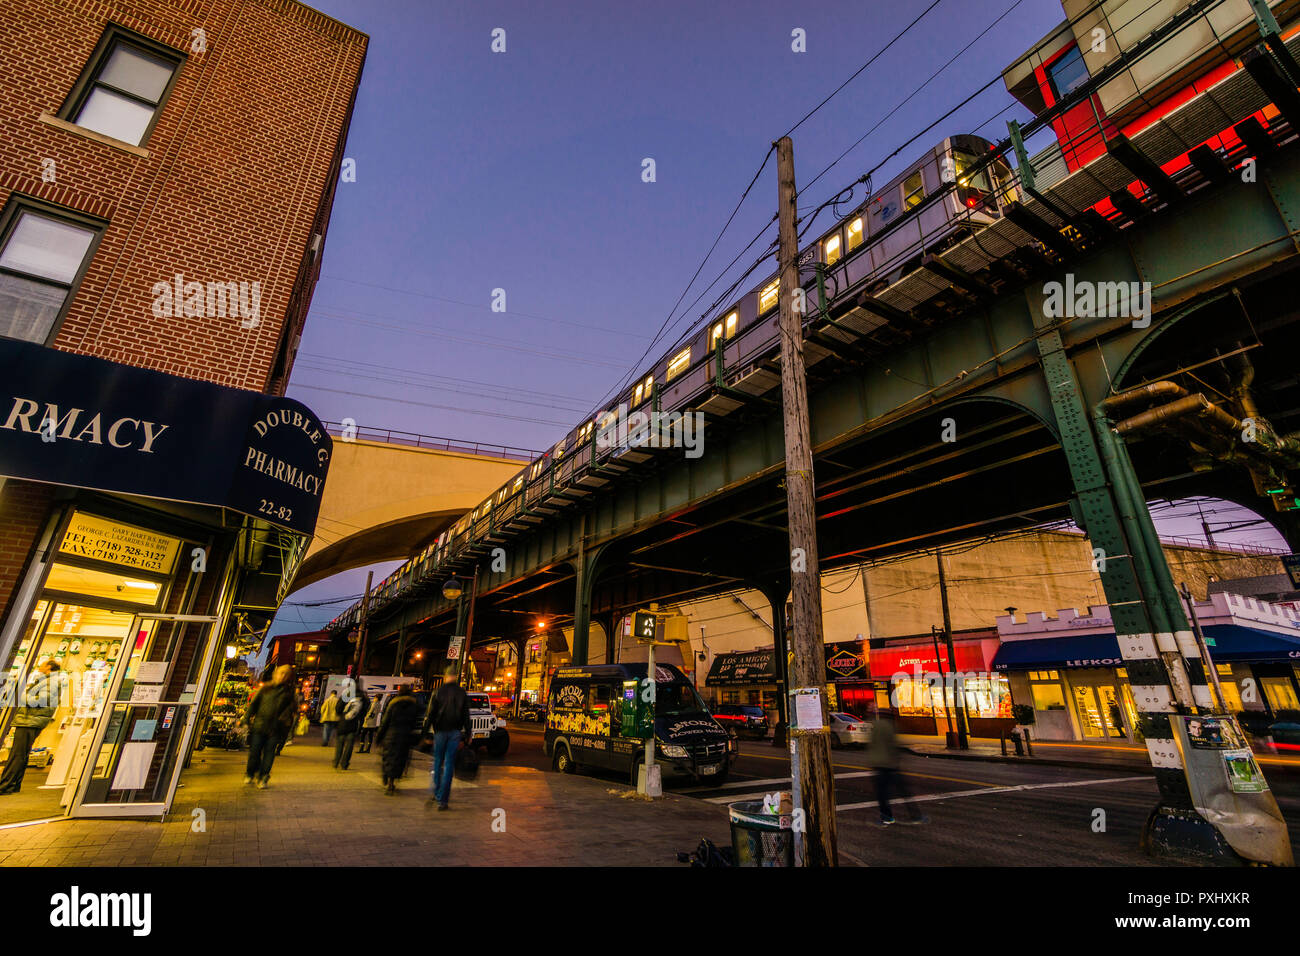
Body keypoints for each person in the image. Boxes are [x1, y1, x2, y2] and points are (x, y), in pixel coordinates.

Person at [0, 660, 69, 795]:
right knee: (21, 754)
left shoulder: (51, 682)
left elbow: (39, 701)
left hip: (30, 721)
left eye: (42, 665)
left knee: (17, 754)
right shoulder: (48, 681)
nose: (39, 667)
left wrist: (19, 695)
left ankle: (5, 785)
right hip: (31, 720)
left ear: (48, 667)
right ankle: (13, 785)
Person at [240, 665, 295, 789]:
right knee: (254, 753)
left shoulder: (288, 693)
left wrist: (286, 729)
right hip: (260, 726)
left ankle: (263, 777)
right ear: (275, 674)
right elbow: (253, 705)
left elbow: (290, 712)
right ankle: (250, 772)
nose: (283, 676)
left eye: (286, 674)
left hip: (275, 729)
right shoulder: (265, 689)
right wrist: (246, 719)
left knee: (269, 754)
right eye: (281, 673)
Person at [864, 711, 923, 825]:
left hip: (879, 764)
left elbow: (872, 744)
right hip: (891, 764)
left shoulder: (877, 726)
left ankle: (887, 817)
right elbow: (893, 745)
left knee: (882, 794)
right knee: (904, 791)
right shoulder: (891, 727)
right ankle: (916, 816)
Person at [423, 678, 471, 810]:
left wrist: (426, 732)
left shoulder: (438, 691)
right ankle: (443, 800)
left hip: (440, 731)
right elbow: (466, 715)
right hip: (455, 732)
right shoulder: (462, 693)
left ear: (446, 677)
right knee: (449, 764)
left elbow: (431, 713)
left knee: (438, 763)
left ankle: (437, 792)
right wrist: (468, 733)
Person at [376, 684, 420, 795]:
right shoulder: (413, 705)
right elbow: (414, 722)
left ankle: (387, 777)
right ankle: (392, 781)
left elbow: (385, 721)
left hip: (392, 734)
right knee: (400, 759)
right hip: (405, 736)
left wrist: (379, 736)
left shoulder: (393, 703)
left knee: (388, 757)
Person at [333, 680, 368, 771]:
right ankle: (344, 763)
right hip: (354, 723)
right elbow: (364, 711)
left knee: (340, 743)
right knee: (349, 745)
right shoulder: (363, 697)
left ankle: (336, 761)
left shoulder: (346, 694)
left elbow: (338, 709)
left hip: (343, 722)